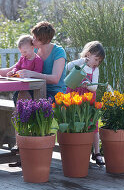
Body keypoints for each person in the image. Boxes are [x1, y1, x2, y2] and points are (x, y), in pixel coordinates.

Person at [0, 21, 67, 166]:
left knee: (28, 102)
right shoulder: (33, 51)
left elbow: (55, 79)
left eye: (35, 38)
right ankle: (23, 147)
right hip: (34, 90)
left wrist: (32, 74)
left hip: (54, 94)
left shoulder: (58, 52)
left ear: (42, 39)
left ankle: (28, 149)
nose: (32, 40)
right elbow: (14, 68)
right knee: (20, 95)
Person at [66, 41, 105, 166]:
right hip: (74, 97)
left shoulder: (95, 70)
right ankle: (76, 148)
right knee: (74, 121)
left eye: (99, 61)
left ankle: (97, 152)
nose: (97, 63)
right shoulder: (79, 64)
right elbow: (67, 67)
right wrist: (81, 61)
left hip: (88, 99)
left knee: (93, 124)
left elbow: (94, 88)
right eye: (96, 59)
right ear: (88, 54)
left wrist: (87, 85)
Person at [6, 34, 44, 101]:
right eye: (21, 52)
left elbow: (38, 73)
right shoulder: (22, 58)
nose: (23, 54)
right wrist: (13, 71)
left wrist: (29, 75)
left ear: (32, 48)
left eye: (25, 52)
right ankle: (18, 110)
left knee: (28, 98)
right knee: (15, 96)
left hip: (32, 87)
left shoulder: (37, 60)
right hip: (21, 85)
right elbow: (17, 67)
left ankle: (28, 110)